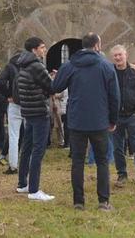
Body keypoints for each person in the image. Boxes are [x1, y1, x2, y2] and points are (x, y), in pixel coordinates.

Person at [52, 33, 120, 211]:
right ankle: (103, 201)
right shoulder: (106, 66)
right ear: (97, 45)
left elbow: (56, 86)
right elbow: (115, 96)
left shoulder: (70, 65)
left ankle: (78, 202)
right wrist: (113, 119)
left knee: (77, 161)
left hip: (77, 121)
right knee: (102, 161)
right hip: (99, 120)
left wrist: (60, 74)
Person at [15, 37, 55, 202]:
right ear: (34, 50)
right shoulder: (37, 66)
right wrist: (56, 78)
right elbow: (51, 87)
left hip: (28, 111)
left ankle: (22, 183)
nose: (44, 50)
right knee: (38, 150)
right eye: (42, 47)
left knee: (26, 148)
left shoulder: (23, 65)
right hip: (39, 112)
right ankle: (34, 189)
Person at [106, 44, 135, 187]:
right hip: (116, 117)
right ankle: (121, 175)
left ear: (126, 55)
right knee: (117, 148)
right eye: (115, 55)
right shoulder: (110, 72)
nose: (117, 58)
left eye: (120, 55)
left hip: (132, 115)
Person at [0, 51, 24, 175]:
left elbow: (0, 81)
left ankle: (13, 165)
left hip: (14, 102)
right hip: (28, 102)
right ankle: (28, 164)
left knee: (13, 135)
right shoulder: (30, 65)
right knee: (30, 135)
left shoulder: (10, 66)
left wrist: (8, 95)